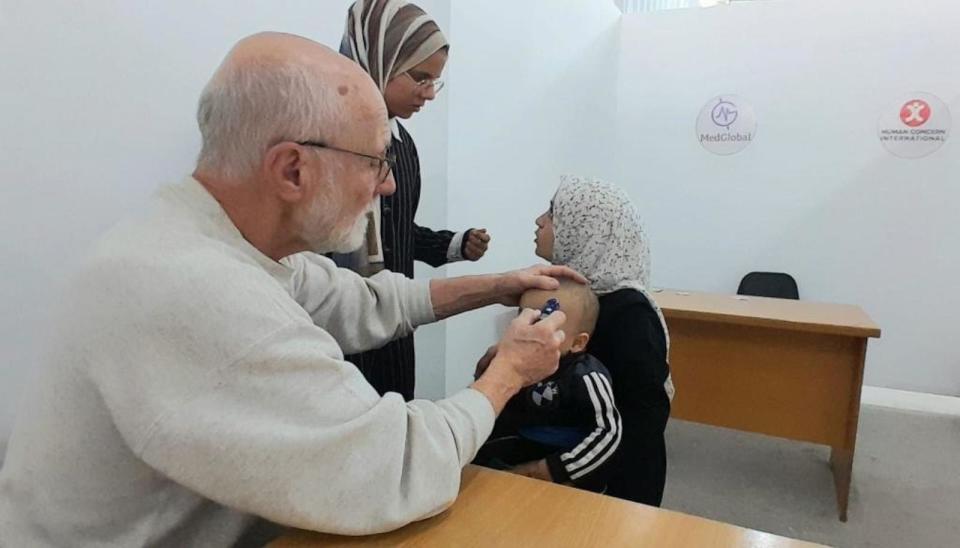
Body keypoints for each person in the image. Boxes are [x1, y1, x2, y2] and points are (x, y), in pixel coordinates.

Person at [0, 33, 585, 547]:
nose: (385, 187)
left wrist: (499, 286)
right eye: (374, 162)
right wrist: (509, 372)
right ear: (292, 170)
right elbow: (391, 469)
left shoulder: (220, 238)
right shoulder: (192, 288)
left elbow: (362, 301)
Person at [336, 0, 490, 400]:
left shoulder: (403, 148)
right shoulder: (323, 142)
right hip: (332, 328)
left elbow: (398, 230)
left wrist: (455, 245)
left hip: (393, 325)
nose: (430, 95)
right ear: (378, 59)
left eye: (435, 82)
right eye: (420, 78)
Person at [533, 175, 675, 507]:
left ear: (588, 228)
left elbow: (640, 429)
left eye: (553, 213)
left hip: (613, 489)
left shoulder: (629, 315)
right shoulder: (576, 299)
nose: (540, 221)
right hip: (573, 470)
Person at [474, 281, 621, 494]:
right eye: (523, 321)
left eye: (544, 326)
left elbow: (608, 432)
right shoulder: (514, 363)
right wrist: (487, 374)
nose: (529, 334)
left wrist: (553, 469)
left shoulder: (586, 376)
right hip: (516, 450)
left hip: (567, 467)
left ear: (577, 343)